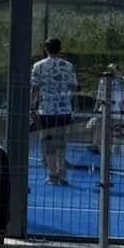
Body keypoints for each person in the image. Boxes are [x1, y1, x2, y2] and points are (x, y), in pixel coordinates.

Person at [29, 36, 77, 187]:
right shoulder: (68, 66)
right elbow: (73, 86)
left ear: (46, 49)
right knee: (61, 141)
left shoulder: (38, 66)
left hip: (46, 109)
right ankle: (63, 174)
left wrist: (31, 106)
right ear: (60, 48)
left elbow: (35, 88)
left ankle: (53, 174)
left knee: (48, 141)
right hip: (64, 109)